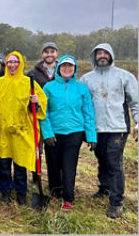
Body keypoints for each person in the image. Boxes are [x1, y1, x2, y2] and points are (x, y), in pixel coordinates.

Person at [80, 43, 138, 219]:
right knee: (102, 158)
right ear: (94, 56)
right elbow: (82, 104)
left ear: (111, 55)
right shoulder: (86, 79)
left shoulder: (124, 76)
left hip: (117, 127)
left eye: (105, 53)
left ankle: (116, 201)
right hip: (96, 128)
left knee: (114, 162)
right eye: (99, 53)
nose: (102, 56)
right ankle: (104, 188)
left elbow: (135, 102)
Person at [0, 51, 47, 206]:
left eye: (15, 62)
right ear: (7, 64)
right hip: (2, 132)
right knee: (3, 165)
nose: (12, 65)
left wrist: (36, 102)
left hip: (21, 132)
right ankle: (5, 192)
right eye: (10, 62)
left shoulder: (29, 83)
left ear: (20, 64)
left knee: (20, 165)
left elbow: (41, 106)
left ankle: (21, 193)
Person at [40, 55, 97, 210]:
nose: (67, 69)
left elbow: (88, 112)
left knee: (68, 165)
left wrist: (91, 136)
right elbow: (43, 113)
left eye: (70, 66)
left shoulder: (81, 88)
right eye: (64, 66)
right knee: (53, 164)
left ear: (74, 69)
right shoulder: (49, 87)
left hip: (74, 133)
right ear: (59, 69)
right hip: (54, 133)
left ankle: (68, 197)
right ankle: (55, 191)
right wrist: (47, 133)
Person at [27, 42, 60, 197]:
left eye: (52, 51)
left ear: (56, 53)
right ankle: (36, 178)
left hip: (58, 116)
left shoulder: (63, 70)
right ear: (42, 55)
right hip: (39, 116)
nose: (49, 54)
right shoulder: (33, 73)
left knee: (56, 150)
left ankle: (58, 181)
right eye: (46, 52)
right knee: (37, 148)